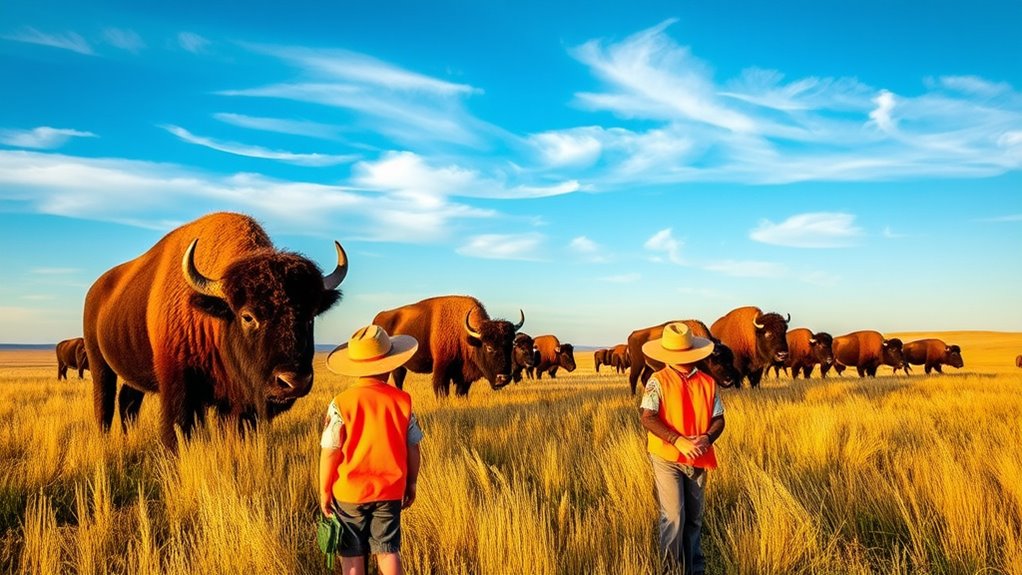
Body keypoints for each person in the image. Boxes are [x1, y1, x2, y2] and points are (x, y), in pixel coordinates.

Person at [320, 325, 424, 575]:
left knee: (352, 557)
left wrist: (324, 490)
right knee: (388, 552)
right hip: (389, 492)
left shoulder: (340, 404)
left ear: (355, 366)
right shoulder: (403, 401)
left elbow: (330, 451)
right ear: (390, 365)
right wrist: (411, 483)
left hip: (349, 495)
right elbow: (414, 448)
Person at [639, 322, 726, 575]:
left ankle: (693, 570)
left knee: (694, 518)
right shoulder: (657, 381)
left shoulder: (708, 383)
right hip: (667, 457)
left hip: (699, 457)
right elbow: (648, 417)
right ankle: (670, 571)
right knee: (674, 516)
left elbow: (719, 419)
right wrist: (678, 440)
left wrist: (707, 438)